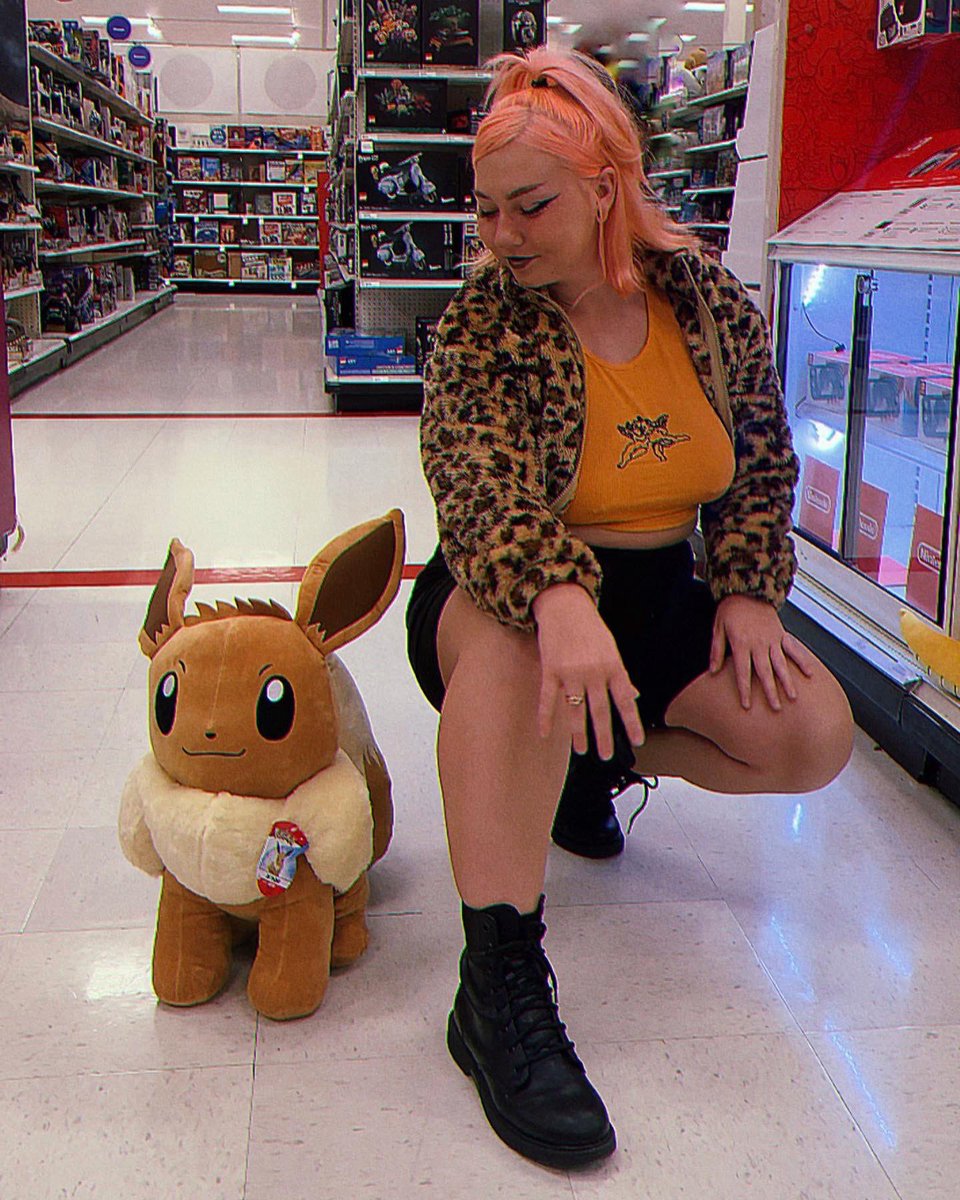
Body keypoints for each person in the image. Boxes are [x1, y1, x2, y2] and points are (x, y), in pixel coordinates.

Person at [405, 46, 854, 1169]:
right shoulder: (484, 318)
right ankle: (497, 983)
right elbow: (475, 483)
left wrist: (747, 591)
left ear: (606, 186)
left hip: (656, 594)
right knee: (523, 654)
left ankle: (581, 767)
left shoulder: (703, 299)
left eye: (531, 206)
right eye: (486, 209)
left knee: (811, 731)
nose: (501, 234)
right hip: (504, 591)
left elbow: (760, 455)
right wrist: (555, 593)